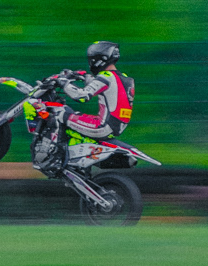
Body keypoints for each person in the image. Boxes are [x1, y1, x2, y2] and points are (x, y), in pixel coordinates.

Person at [33, 41, 134, 174]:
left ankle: (54, 159)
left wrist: (63, 83)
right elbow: (105, 88)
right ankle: (74, 157)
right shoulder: (125, 79)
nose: (90, 62)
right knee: (73, 115)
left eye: (91, 59)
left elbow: (81, 96)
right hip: (115, 126)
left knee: (59, 113)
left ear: (100, 59)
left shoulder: (106, 77)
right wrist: (83, 77)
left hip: (102, 126)